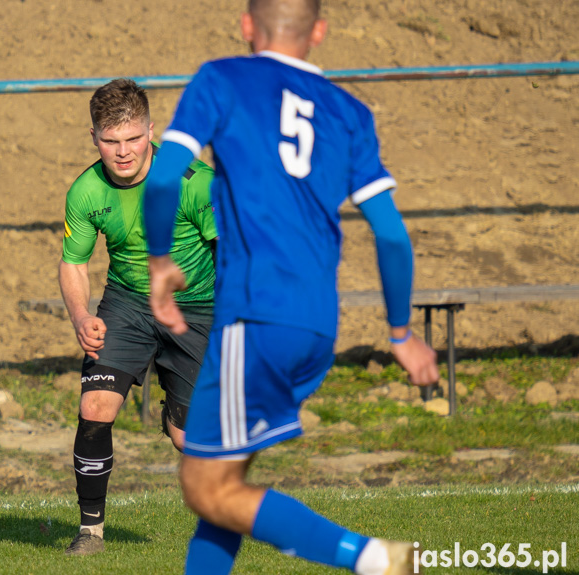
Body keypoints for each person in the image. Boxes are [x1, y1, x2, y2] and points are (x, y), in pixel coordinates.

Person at [142, 1, 440, 574]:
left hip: (254, 315)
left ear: (246, 25)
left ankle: (372, 558)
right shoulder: (349, 112)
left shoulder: (222, 78)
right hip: (314, 324)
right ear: (320, 32)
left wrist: (160, 262)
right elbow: (392, 235)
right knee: (225, 482)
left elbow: (162, 177)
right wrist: (400, 333)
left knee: (204, 487)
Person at [58, 78, 218, 556]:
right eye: (110, 141)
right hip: (127, 304)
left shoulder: (194, 182)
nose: (123, 152)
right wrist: (82, 316)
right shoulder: (86, 192)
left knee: (187, 438)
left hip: (196, 308)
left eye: (132, 138)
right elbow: (73, 263)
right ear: (94, 138)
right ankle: (90, 533)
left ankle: (175, 408)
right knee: (95, 408)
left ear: (151, 130)